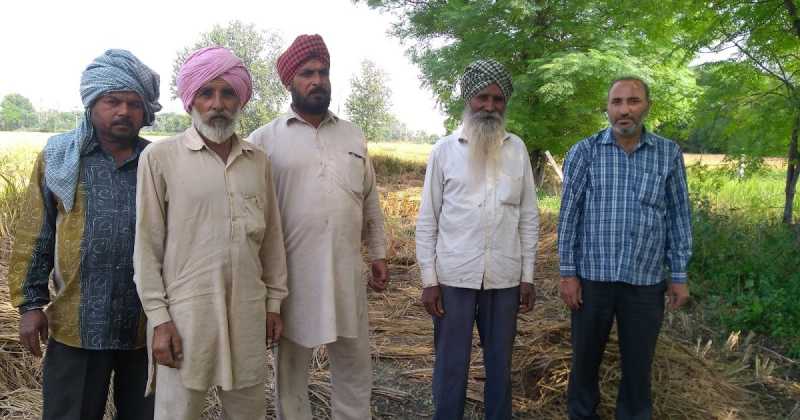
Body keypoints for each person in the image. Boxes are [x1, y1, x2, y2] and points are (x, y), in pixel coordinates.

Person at [133, 46, 288, 420]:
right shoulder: (160, 158)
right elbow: (147, 247)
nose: (218, 103)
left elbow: (271, 242)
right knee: (177, 413)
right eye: (206, 93)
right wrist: (159, 320)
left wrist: (273, 304)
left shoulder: (258, 161)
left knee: (248, 411)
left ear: (241, 99)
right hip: (187, 317)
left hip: (249, 312)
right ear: (191, 101)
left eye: (227, 92)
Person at [8, 49, 160, 420]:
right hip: (75, 325)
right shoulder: (61, 157)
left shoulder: (158, 162)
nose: (123, 111)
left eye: (133, 103)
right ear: (93, 103)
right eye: (113, 101)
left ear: (145, 111)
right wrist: (30, 305)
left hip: (146, 327)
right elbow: (35, 234)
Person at [248, 34, 388, 420]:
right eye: (307, 73)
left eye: (323, 72)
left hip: (347, 272)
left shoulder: (352, 134)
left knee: (355, 365)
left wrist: (378, 253)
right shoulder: (263, 141)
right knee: (291, 371)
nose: (318, 80)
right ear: (290, 82)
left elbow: (370, 197)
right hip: (292, 278)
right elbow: (252, 215)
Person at [557, 76, 692, 420]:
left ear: (647, 106)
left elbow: (678, 215)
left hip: (645, 281)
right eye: (616, 102)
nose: (624, 110)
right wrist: (568, 273)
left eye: (633, 101)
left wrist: (678, 275)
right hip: (593, 280)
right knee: (584, 361)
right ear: (607, 108)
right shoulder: (584, 152)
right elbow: (569, 217)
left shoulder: (668, 153)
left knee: (638, 367)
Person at [415, 59, 539, 420]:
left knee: (500, 364)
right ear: (467, 99)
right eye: (482, 97)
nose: (489, 106)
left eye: (497, 99)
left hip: (504, 278)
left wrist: (527, 276)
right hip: (453, 277)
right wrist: (429, 280)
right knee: (451, 364)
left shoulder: (517, 150)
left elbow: (528, 217)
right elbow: (428, 219)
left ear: (506, 103)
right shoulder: (444, 150)